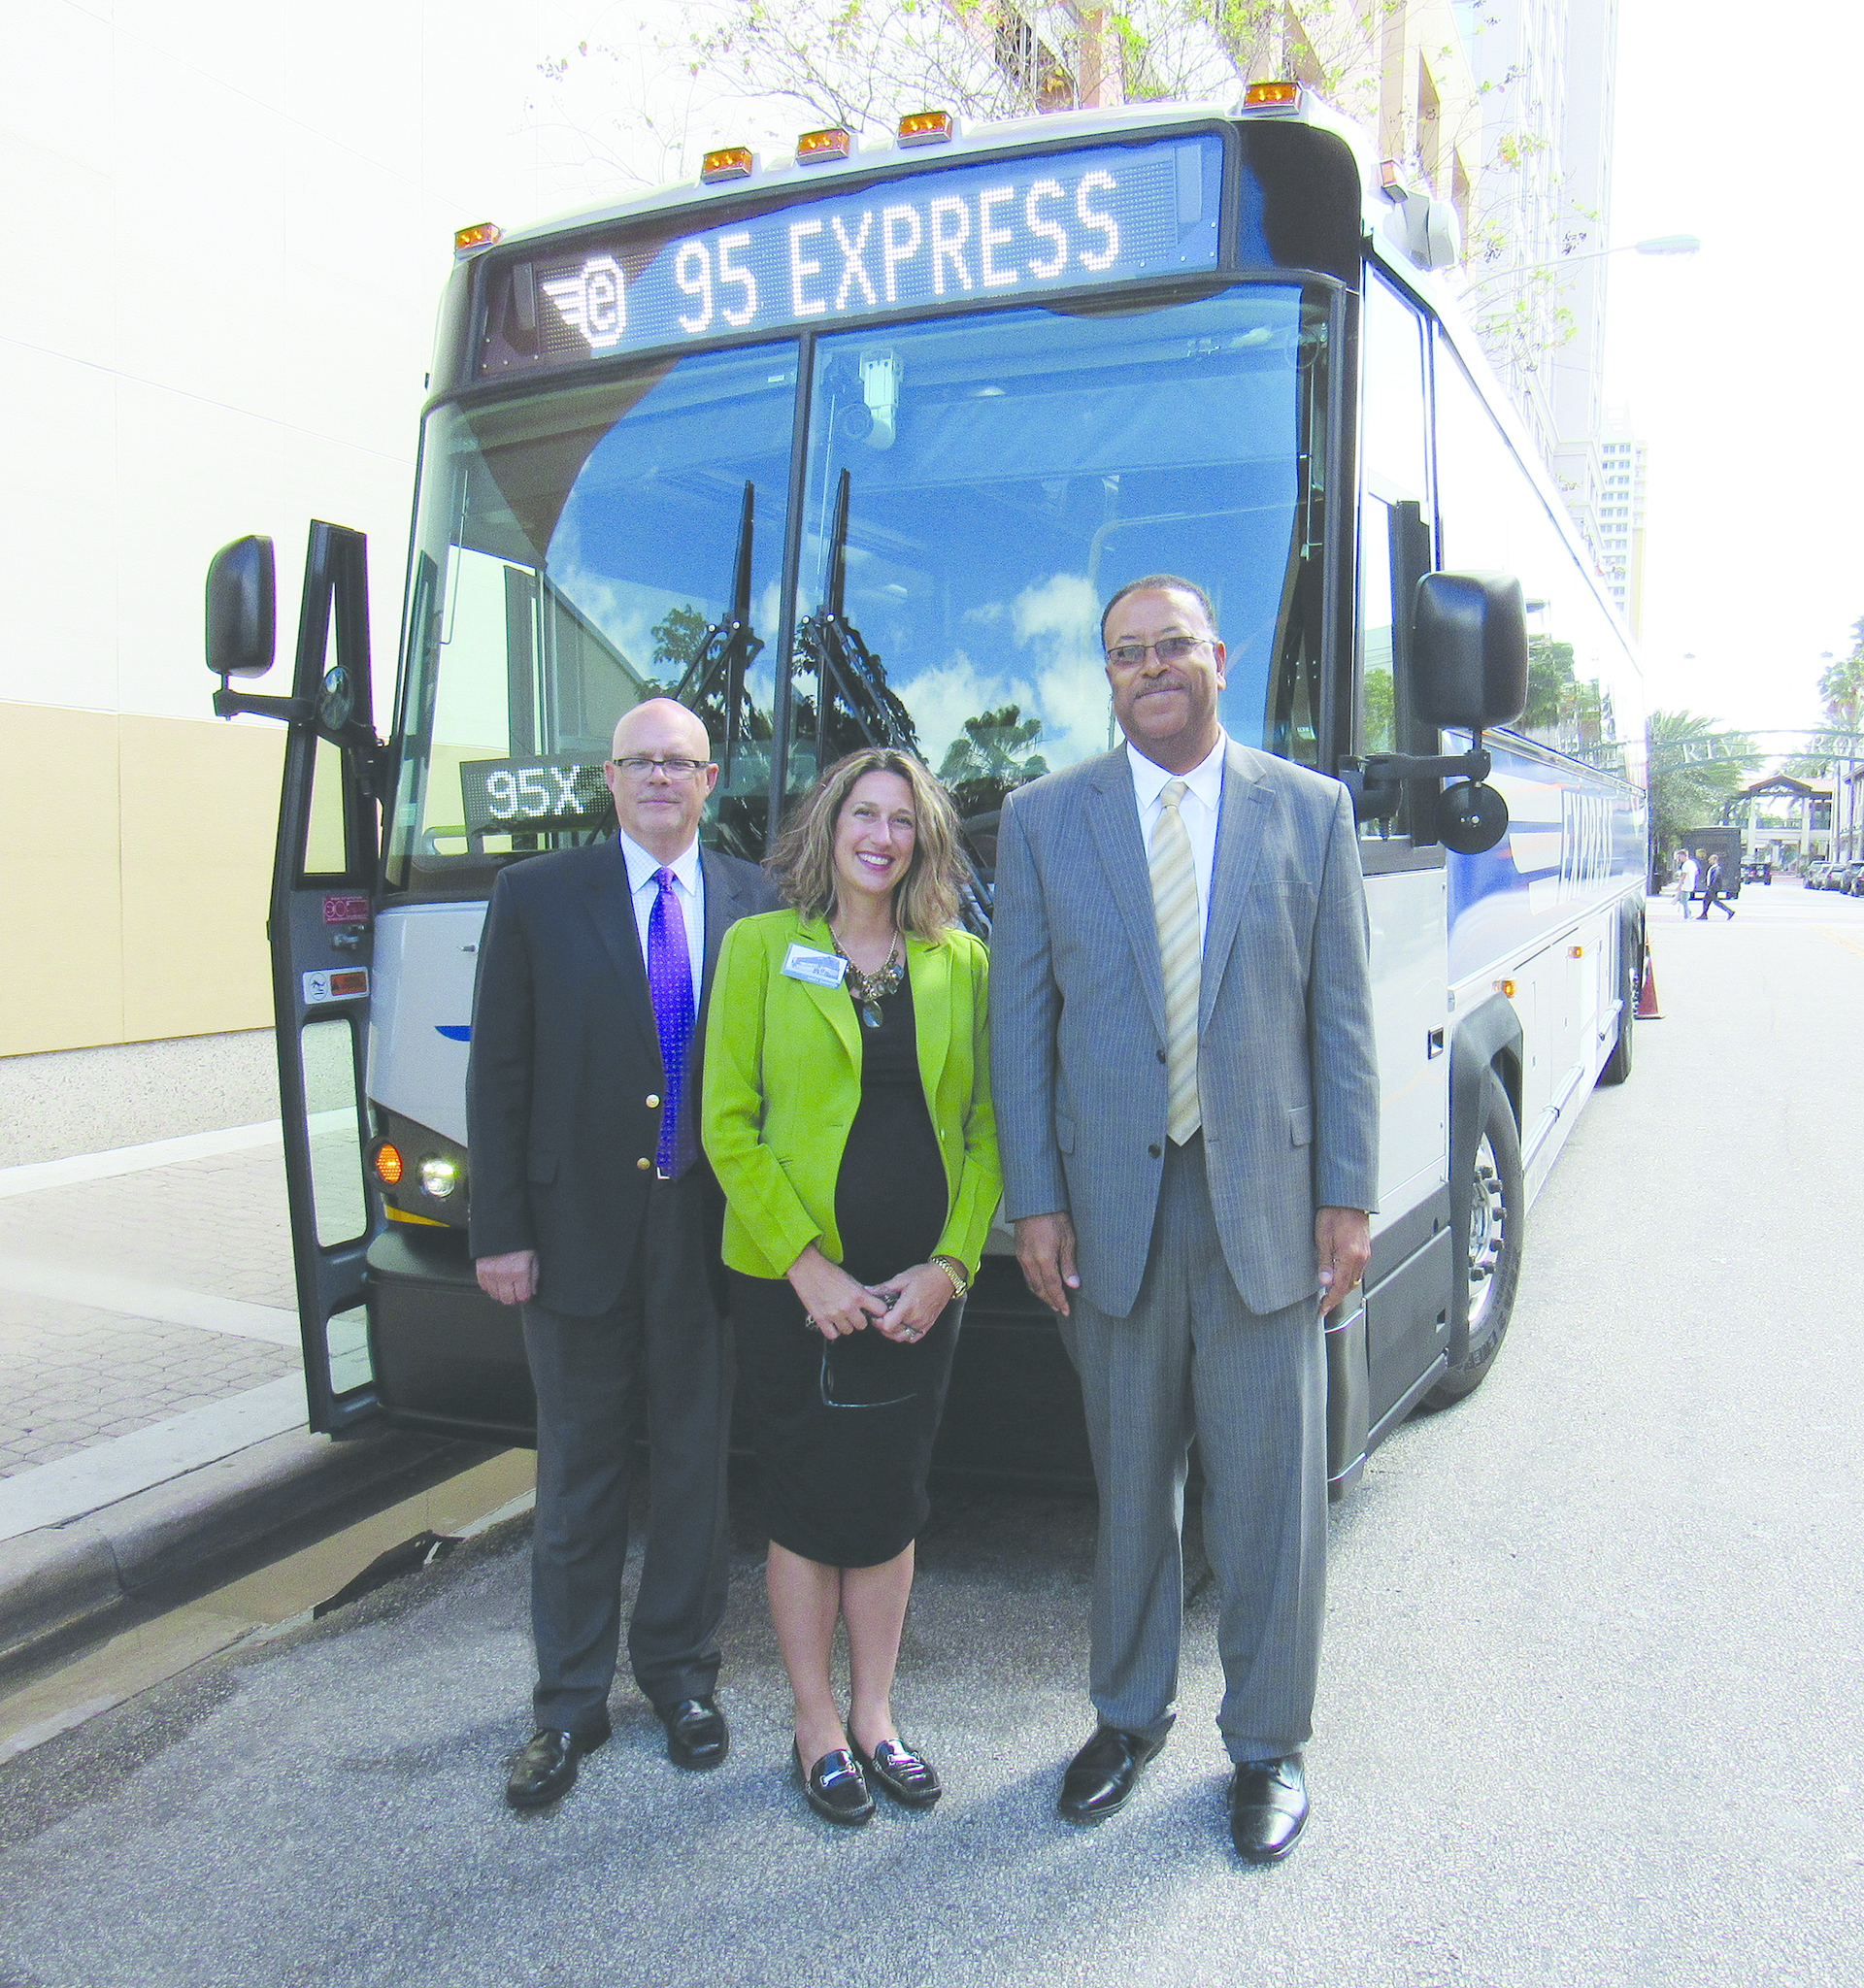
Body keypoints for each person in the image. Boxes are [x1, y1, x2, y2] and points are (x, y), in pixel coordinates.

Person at [989, 574, 1379, 1865]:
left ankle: (1268, 1746)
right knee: (1128, 1491)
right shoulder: (1046, 822)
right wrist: (1034, 1204)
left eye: (1171, 646)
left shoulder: (1309, 814)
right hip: (1110, 1212)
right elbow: (1021, 1029)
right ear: (1106, 677)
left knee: (1270, 1496)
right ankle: (1127, 1715)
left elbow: (1343, 1022)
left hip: (1264, 1204)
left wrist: (1349, 1195)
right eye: (1125, 654)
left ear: (1221, 655)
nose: (1150, 666)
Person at [468, 698, 778, 1810]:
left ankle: (685, 1677)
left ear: (708, 781)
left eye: (680, 762)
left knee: (696, 1462)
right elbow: (498, 1071)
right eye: (640, 761)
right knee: (580, 1471)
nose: (660, 777)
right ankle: (567, 1703)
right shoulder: (536, 897)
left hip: (707, 1230)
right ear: (608, 778)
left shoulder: (760, 899)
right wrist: (498, 1228)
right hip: (573, 1235)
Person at [702, 749, 1000, 1828]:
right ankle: (815, 1718)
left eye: (901, 820)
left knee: (888, 1498)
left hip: (920, 1294)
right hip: (791, 1288)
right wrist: (805, 1265)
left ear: (922, 841)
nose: (880, 835)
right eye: (861, 814)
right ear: (828, 827)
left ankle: (877, 1713)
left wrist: (953, 1264)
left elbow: (984, 1133)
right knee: (805, 1502)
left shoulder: (960, 962)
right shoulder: (762, 949)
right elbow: (727, 1121)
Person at [1700, 853, 1735, 918]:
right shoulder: (1713, 868)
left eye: (1710, 859)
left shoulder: (1716, 868)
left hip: (1713, 888)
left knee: (1715, 901)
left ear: (1715, 860)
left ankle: (1729, 911)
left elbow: (1714, 878)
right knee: (1706, 900)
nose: (1709, 861)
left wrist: (1711, 886)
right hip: (1712, 887)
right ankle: (1704, 914)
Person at [1676, 851, 1698, 915]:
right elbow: (1696, 872)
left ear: (1683, 856)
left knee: (1683, 901)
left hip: (1685, 886)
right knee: (1684, 900)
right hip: (1690, 884)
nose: (1679, 859)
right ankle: (1689, 914)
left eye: (1679, 857)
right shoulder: (1692, 863)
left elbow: (1684, 875)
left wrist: (1680, 884)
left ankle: (1687, 915)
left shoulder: (1685, 864)